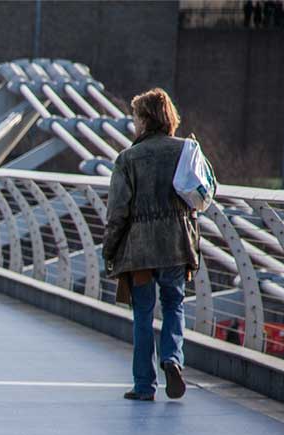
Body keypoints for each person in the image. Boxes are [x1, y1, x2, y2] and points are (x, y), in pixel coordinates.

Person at [102, 88, 199, 402]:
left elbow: (118, 211)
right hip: (176, 244)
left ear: (144, 120)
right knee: (174, 304)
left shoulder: (128, 158)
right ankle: (172, 359)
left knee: (143, 314)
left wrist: (110, 249)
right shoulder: (187, 150)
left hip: (140, 249)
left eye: (135, 118)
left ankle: (144, 386)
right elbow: (201, 195)